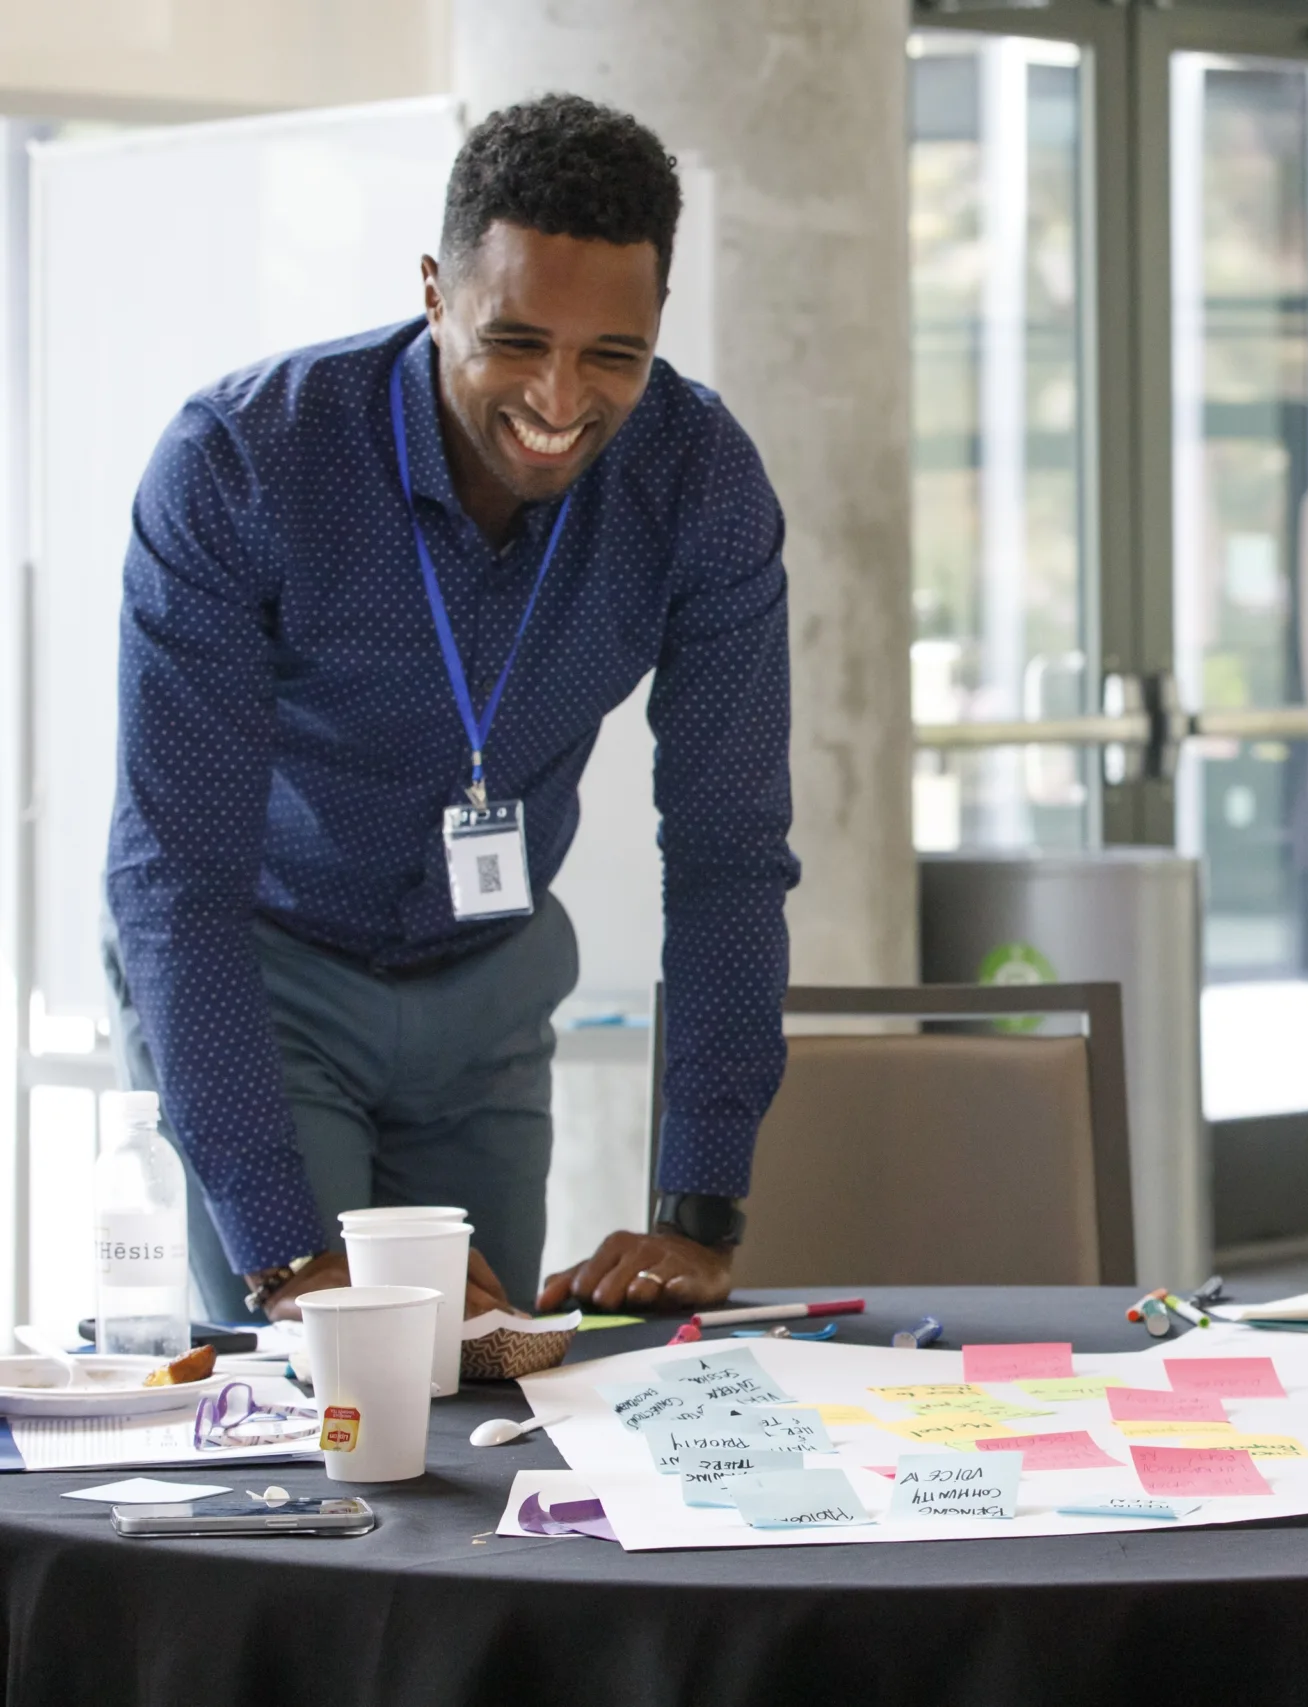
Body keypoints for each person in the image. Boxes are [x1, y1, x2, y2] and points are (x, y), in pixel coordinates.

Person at [104, 94, 798, 1324]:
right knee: (326, 1397)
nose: (557, 398)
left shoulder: (698, 483)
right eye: (515, 340)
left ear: (657, 330)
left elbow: (728, 852)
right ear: (435, 291)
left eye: (611, 356)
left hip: (490, 989)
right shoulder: (242, 466)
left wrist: (700, 1212)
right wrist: (281, 1249)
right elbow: (174, 881)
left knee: (483, 1402)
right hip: (268, 974)